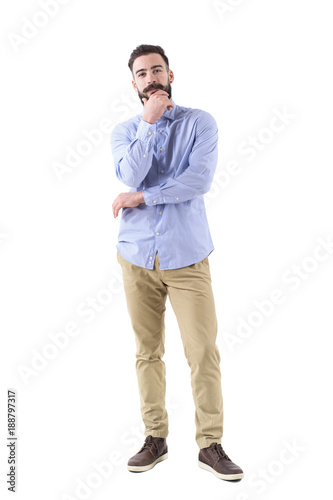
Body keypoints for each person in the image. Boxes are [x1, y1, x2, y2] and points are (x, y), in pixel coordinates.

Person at [110, 44, 243, 481]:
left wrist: (144, 197)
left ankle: (210, 443)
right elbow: (129, 174)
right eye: (142, 73)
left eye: (157, 70)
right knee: (147, 351)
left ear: (171, 75)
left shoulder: (199, 122)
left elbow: (198, 180)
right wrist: (148, 124)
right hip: (136, 257)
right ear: (134, 84)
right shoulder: (125, 131)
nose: (151, 78)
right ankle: (155, 437)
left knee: (203, 351)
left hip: (187, 258)